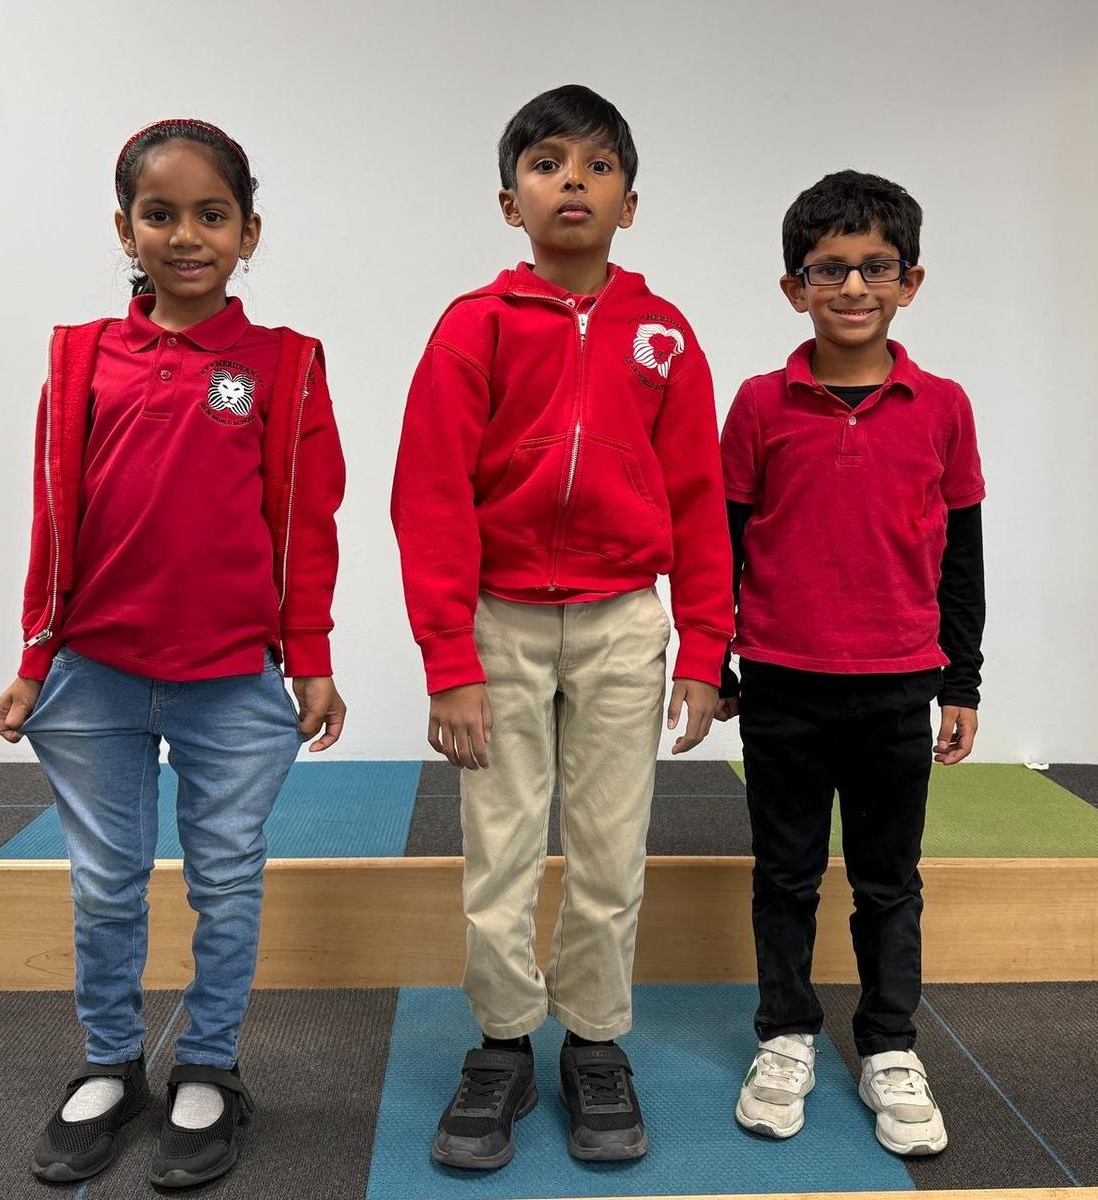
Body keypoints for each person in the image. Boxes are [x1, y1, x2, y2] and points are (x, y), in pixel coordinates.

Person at [0, 118, 346, 1189]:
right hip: (94, 671)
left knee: (226, 881)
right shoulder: (82, 357)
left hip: (233, 679)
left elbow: (306, 519)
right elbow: (55, 515)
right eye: (160, 214)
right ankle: (110, 1062)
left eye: (211, 215)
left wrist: (311, 652)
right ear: (124, 227)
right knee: (105, 884)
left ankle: (209, 1067)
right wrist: (33, 651)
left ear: (248, 233)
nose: (185, 235)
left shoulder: (282, 365)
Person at [391, 84, 733, 1169]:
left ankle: (594, 1042)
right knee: (496, 849)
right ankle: (500, 1043)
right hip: (497, 627)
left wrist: (707, 650)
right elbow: (431, 497)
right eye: (547, 163)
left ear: (630, 203)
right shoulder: (473, 328)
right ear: (510, 202)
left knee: (608, 848)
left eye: (597, 165)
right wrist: (450, 663)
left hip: (626, 623)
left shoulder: (664, 336)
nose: (572, 180)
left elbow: (699, 501)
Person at [720, 170, 986, 1156]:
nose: (853, 286)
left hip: (897, 685)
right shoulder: (757, 405)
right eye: (828, 269)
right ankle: (786, 1032)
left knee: (889, 878)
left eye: (876, 266)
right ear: (795, 287)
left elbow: (962, 557)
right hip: (783, 683)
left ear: (911, 280)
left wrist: (963, 680)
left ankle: (887, 1044)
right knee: (785, 873)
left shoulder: (943, 407)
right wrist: (715, 658)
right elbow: (725, 544)